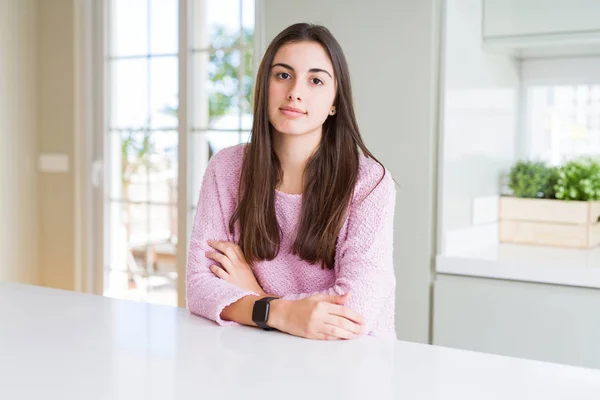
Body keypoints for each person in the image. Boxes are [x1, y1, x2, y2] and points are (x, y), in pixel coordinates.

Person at [186, 22, 397, 340]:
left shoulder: (369, 182)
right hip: (259, 360)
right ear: (264, 87)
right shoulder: (226, 168)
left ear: (335, 102)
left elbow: (352, 314)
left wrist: (258, 298)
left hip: (349, 371)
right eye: (283, 75)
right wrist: (282, 313)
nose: (295, 92)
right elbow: (200, 287)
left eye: (315, 80)